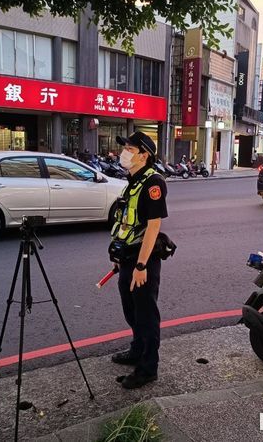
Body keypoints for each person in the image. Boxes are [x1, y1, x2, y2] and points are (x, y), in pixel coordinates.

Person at [109, 131, 168, 389]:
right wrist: (119, 256)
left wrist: (142, 266)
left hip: (144, 259)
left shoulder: (153, 182)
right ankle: (136, 350)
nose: (125, 152)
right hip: (129, 256)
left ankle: (147, 368)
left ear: (144, 155)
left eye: (130, 149)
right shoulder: (132, 180)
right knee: (131, 310)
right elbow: (126, 222)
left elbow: (153, 227)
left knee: (146, 314)